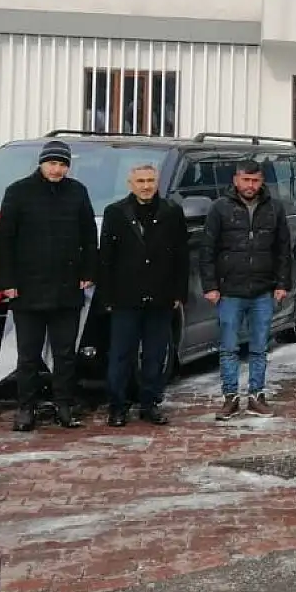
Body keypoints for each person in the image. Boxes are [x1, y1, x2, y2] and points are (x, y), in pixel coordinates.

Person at [0, 140, 98, 432]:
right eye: (52, 163)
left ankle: (63, 404)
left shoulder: (77, 192)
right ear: (42, 163)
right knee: (28, 354)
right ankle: (25, 408)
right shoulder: (18, 192)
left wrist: (88, 271)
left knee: (65, 353)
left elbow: (89, 236)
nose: (57, 170)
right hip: (27, 288)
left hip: (67, 287)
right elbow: (4, 240)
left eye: (63, 164)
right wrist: (7, 281)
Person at [94, 162, 187, 427]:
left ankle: (150, 403)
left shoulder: (171, 212)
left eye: (150, 181)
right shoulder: (116, 213)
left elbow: (181, 255)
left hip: (161, 296)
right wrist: (107, 296)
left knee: (155, 355)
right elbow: (106, 259)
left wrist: (179, 293)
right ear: (130, 184)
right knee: (121, 354)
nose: (146, 186)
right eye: (141, 181)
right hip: (125, 297)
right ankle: (117, 406)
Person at [199, 159, 292, 421]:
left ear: (262, 181)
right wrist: (210, 285)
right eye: (245, 180)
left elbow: (283, 248)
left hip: (263, 289)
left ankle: (256, 396)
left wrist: (283, 283)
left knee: (259, 347)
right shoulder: (220, 208)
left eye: (255, 180)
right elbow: (208, 249)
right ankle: (230, 397)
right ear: (236, 180)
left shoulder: (274, 208)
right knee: (228, 347)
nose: (250, 186)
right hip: (229, 290)